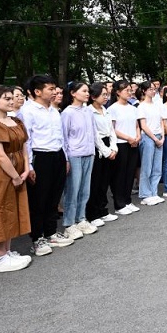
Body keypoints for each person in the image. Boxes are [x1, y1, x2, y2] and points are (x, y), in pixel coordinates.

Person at [0, 85, 33, 272]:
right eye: (6, 99)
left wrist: (26, 168)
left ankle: (7, 252)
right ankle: (0, 258)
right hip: (1, 173)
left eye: (12, 98)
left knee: (11, 209)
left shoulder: (16, 121)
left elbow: (24, 146)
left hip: (18, 169)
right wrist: (15, 176)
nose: (12, 101)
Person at [19, 75, 74, 254]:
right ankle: (37, 238)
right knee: (39, 199)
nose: (54, 92)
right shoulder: (27, 111)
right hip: (40, 157)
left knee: (54, 196)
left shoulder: (54, 111)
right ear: (37, 91)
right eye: (50, 89)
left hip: (57, 154)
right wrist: (30, 166)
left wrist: (64, 158)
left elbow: (60, 137)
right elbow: (26, 141)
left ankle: (51, 232)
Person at [60, 81, 98, 239]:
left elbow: (93, 132)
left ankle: (81, 218)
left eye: (88, 91)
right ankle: (69, 223)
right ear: (73, 93)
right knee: (73, 189)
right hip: (74, 154)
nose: (87, 93)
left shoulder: (88, 111)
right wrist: (66, 158)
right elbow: (63, 137)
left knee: (84, 189)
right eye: (83, 91)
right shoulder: (67, 113)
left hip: (89, 153)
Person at [86, 83, 120, 228]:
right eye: (103, 94)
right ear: (93, 96)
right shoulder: (89, 111)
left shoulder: (105, 110)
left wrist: (114, 148)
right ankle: (93, 213)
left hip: (109, 145)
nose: (106, 97)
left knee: (104, 182)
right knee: (95, 182)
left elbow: (112, 130)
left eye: (107, 94)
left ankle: (103, 210)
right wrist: (106, 151)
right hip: (98, 148)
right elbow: (94, 135)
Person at [107, 80, 142, 214]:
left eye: (130, 90)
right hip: (121, 144)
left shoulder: (133, 108)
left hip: (133, 143)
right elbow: (112, 129)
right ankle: (119, 204)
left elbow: (137, 125)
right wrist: (128, 138)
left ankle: (127, 200)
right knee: (119, 174)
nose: (130, 92)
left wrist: (137, 137)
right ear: (117, 92)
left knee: (130, 172)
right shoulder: (113, 109)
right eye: (126, 90)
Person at [136, 82, 166, 206]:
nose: (153, 91)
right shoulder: (141, 106)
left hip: (159, 135)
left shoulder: (157, 105)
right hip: (148, 137)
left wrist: (162, 136)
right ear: (143, 91)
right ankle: (145, 194)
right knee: (146, 167)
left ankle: (153, 192)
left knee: (157, 167)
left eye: (154, 89)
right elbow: (143, 125)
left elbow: (161, 122)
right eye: (150, 89)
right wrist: (155, 138)